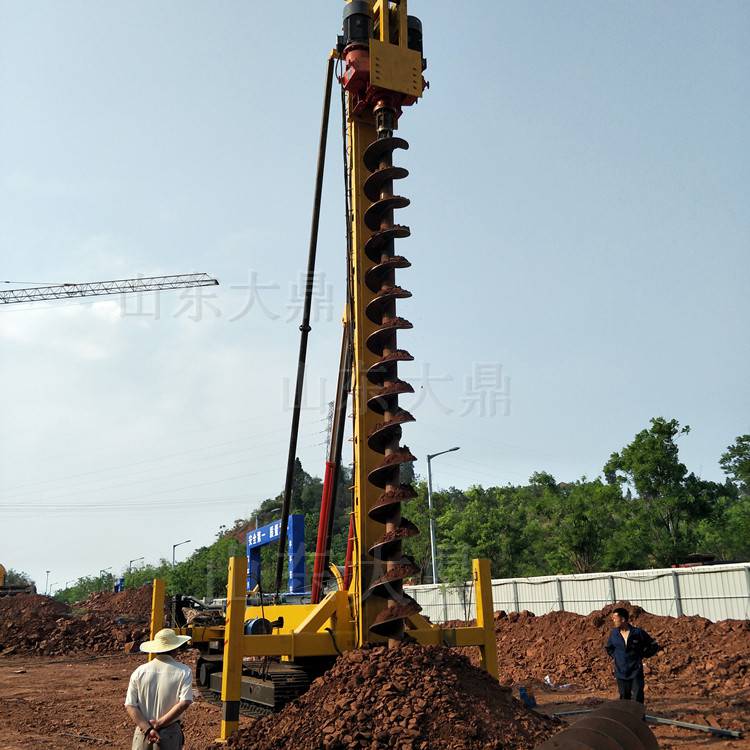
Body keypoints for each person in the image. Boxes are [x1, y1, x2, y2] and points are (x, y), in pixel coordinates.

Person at [125, 628, 193, 749]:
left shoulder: (139, 671)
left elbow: (130, 705)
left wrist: (148, 729)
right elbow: (185, 701)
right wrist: (159, 723)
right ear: (175, 649)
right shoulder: (184, 671)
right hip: (170, 733)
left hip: (142, 733)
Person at [605, 607, 660, 704]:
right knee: (624, 698)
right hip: (621, 672)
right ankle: (626, 719)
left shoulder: (638, 633)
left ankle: (638, 718)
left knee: (637, 697)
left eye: (615, 618)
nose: (613, 620)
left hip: (635, 671)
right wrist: (617, 657)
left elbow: (653, 645)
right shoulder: (614, 634)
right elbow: (609, 648)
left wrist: (643, 655)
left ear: (623, 619)